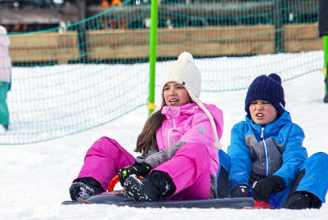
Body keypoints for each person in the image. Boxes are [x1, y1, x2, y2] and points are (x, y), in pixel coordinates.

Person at [68, 52, 224, 202]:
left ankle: (155, 185)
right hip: (153, 182)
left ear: (192, 91)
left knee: (195, 149)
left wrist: (144, 166)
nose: (171, 93)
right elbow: (151, 155)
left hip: (194, 186)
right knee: (105, 146)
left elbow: (184, 147)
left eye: (179, 87)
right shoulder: (161, 122)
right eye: (167, 88)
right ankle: (89, 186)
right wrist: (137, 168)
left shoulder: (205, 119)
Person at [219, 74, 328, 209]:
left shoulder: (290, 130)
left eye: (265, 103)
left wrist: (276, 181)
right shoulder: (241, 130)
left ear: (278, 108)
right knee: (214, 154)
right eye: (254, 103)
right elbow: (239, 159)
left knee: (321, 160)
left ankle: (299, 202)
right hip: (246, 194)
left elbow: (294, 160)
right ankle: (219, 198)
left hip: (280, 192)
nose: (258, 107)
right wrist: (239, 186)